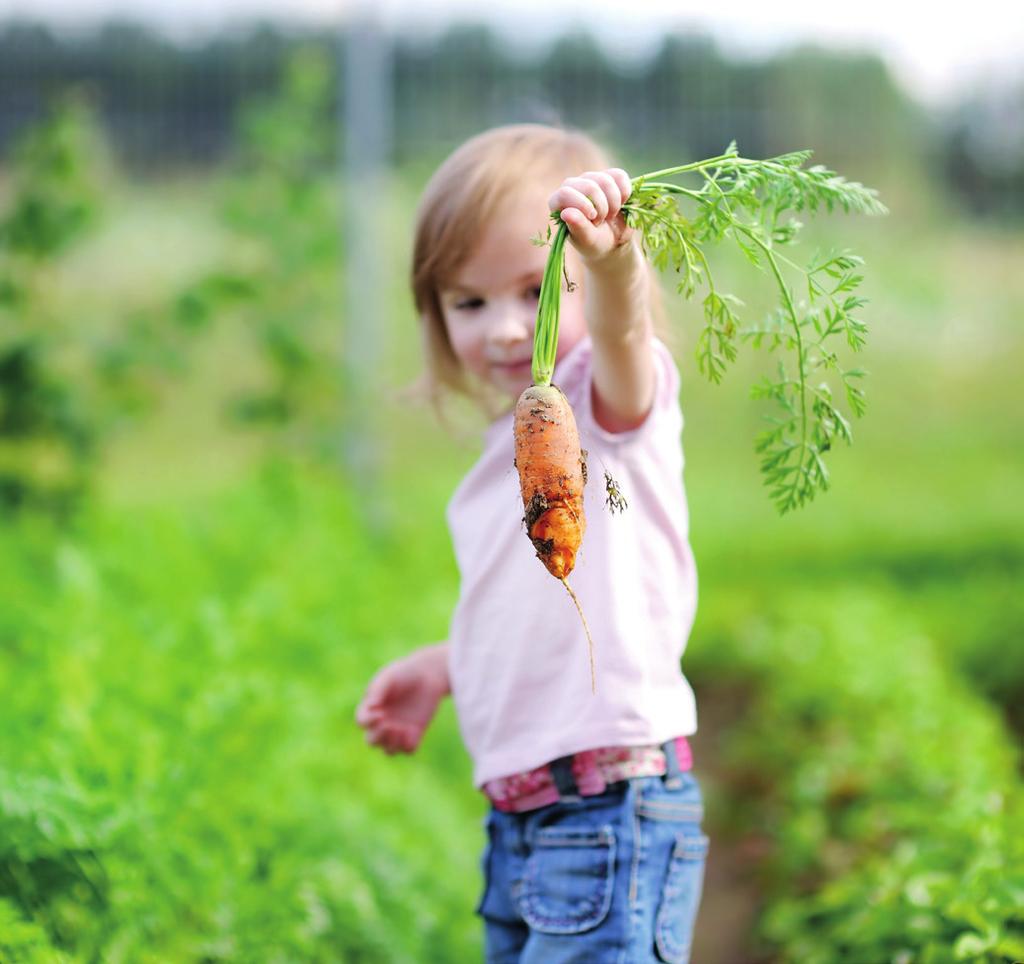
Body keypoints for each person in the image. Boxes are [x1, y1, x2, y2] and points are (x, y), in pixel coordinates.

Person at [355, 123, 708, 964]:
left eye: (542, 287)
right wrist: (449, 664)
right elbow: (534, 609)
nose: (511, 329)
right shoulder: (499, 459)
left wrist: (614, 264)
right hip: (519, 820)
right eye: (469, 302)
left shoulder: (604, 410)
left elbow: (622, 340)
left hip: (609, 809)